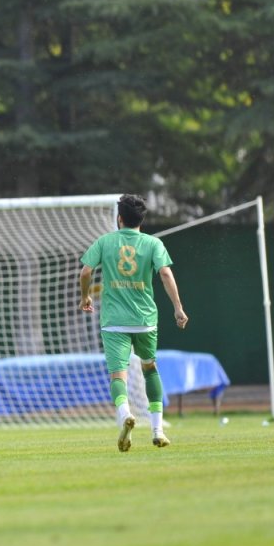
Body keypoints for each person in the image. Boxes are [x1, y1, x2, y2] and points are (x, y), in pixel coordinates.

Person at [79, 194, 189, 453]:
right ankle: (157, 430)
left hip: (114, 321)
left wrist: (85, 296)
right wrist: (178, 308)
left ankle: (125, 413)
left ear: (119, 218)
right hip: (145, 320)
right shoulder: (153, 244)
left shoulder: (105, 242)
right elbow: (165, 273)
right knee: (149, 369)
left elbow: (85, 271)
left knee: (118, 375)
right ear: (142, 219)